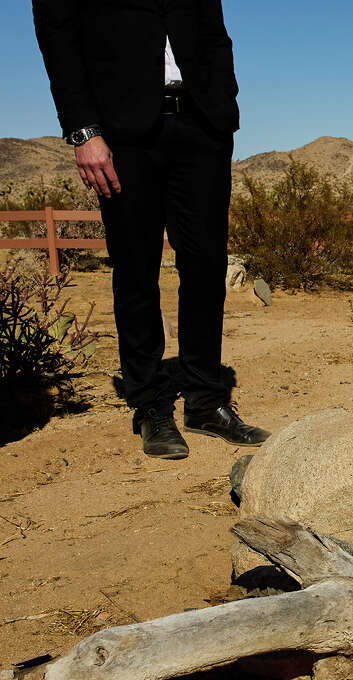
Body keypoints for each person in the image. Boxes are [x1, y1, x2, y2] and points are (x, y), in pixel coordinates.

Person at [33, 0, 268, 459]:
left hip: (201, 124)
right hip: (120, 134)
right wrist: (82, 131)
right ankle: (149, 404)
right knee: (136, 268)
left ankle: (205, 401)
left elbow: (215, 33)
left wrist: (224, 110)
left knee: (205, 264)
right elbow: (57, 39)